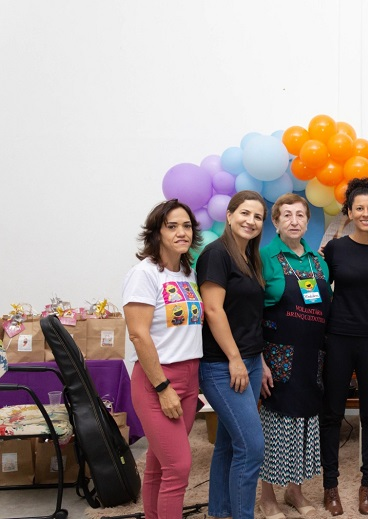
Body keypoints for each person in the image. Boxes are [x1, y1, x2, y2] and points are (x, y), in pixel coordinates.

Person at [123, 199, 203, 519]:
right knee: (179, 467)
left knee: (158, 465)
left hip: (189, 375)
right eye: (172, 226)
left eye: (186, 226)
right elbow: (139, 335)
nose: (182, 232)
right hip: (157, 380)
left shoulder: (188, 272)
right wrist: (162, 386)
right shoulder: (144, 274)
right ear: (157, 232)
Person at [319, 178, 368, 516]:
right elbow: (319, 291)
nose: (366, 213)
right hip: (337, 337)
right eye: (359, 208)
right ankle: (330, 487)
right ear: (349, 212)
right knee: (332, 412)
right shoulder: (335, 249)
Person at [259, 193, 332, 519]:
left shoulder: (319, 261)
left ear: (307, 221)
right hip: (276, 356)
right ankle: (267, 497)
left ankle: (295, 489)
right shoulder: (265, 259)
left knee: (303, 424)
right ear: (275, 222)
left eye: (300, 215)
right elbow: (250, 313)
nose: (293, 220)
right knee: (274, 425)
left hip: (311, 356)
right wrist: (258, 360)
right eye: (286, 215)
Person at [196, 190, 268, 519]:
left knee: (228, 442)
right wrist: (236, 359)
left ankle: (221, 512)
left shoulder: (249, 258)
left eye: (257, 217)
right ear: (229, 215)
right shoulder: (216, 255)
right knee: (252, 447)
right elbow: (213, 310)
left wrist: (258, 360)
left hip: (250, 362)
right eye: (245, 214)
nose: (250, 221)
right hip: (223, 366)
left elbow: (248, 317)